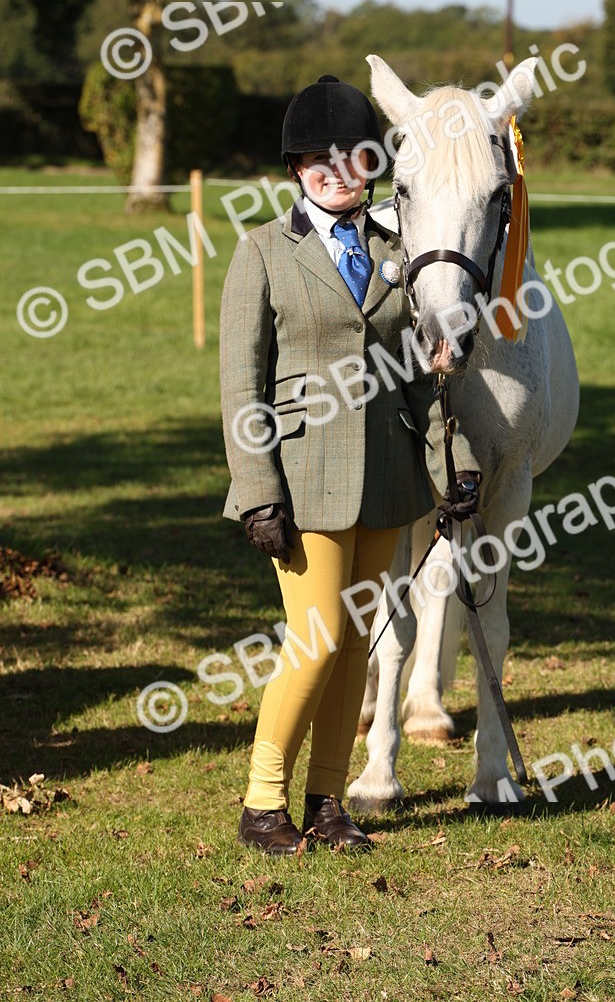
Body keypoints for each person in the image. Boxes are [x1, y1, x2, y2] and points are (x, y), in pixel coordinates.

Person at [219, 74, 481, 856]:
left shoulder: (398, 255)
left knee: (356, 642)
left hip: (388, 477)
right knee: (316, 638)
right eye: (318, 160)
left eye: (353, 158)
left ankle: (328, 802)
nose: (337, 173)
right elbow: (241, 388)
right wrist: (257, 492)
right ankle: (262, 803)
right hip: (302, 483)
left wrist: (457, 466)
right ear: (295, 169)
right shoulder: (262, 252)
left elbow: (422, 380)